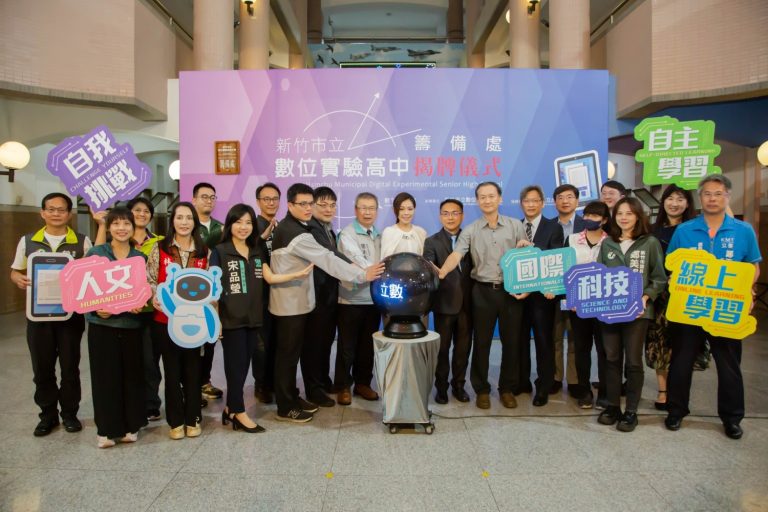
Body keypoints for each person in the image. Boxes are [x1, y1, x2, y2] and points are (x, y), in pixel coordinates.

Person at [269, 184, 384, 422]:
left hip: (300, 301)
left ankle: (292, 397)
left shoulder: (298, 227)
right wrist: (362, 274)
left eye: (310, 203)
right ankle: (286, 406)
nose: (308, 208)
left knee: (294, 354)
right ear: (289, 205)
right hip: (289, 304)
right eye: (303, 204)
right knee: (288, 356)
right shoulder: (298, 233)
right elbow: (327, 258)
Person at [665, 175, 761, 440]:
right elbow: (671, 265)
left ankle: (732, 418)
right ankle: (676, 411)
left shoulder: (743, 231)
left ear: (727, 196)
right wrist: (673, 278)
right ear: (700, 197)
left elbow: (753, 266)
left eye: (718, 194)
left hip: (725, 310)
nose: (712, 198)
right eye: (707, 194)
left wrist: (747, 291)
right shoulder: (684, 231)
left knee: (729, 364)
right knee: (681, 361)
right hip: (690, 308)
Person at [211, 203, 313, 433]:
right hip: (231, 320)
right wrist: (215, 320)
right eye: (238, 222)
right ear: (230, 224)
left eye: (248, 223)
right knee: (235, 368)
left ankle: (230, 409)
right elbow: (212, 289)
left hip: (254, 318)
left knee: (243, 366)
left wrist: (298, 274)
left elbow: (270, 277)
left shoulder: (256, 249)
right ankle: (238, 412)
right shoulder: (220, 251)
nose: (243, 227)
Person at [9, 193, 95, 437]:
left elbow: (91, 271)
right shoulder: (28, 241)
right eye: (51, 209)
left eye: (61, 209)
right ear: (42, 212)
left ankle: (69, 414)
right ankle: (47, 415)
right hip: (38, 317)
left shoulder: (81, 242)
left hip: (70, 317)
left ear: (69, 214)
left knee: (70, 368)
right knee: (42, 368)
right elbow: (15, 271)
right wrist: (18, 279)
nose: (56, 213)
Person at [438, 182, 528, 410]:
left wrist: (527, 286)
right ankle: (482, 389)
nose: (487, 200)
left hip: (511, 291)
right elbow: (456, 254)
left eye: (491, 196)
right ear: (477, 201)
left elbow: (526, 257)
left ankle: (506, 388)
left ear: (500, 198)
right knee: (482, 343)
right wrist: (442, 271)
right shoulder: (471, 230)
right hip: (482, 292)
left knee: (511, 342)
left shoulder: (516, 225)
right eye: (482, 197)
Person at [596, 197, 666, 432]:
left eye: (629, 213)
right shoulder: (608, 243)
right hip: (609, 312)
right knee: (611, 358)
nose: (623, 218)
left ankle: (631, 412)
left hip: (638, 313)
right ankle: (613, 406)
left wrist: (645, 297)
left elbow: (659, 278)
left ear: (638, 216)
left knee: (634, 362)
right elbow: (598, 276)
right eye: (619, 213)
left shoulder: (650, 242)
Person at [85, 207, 147, 448]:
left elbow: (143, 291)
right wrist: (95, 307)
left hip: (132, 326)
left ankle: (131, 426)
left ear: (133, 227)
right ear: (109, 227)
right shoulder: (96, 254)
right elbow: (84, 291)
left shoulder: (139, 258)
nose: (122, 228)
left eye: (126, 223)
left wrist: (140, 304)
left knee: (132, 376)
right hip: (102, 326)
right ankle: (106, 430)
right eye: (116, 223)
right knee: (104, 377)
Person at [147, 202, 209, 439]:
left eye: (189, 218)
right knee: (171, 372)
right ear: (172, 221)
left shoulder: (203, 251)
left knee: (193, 371)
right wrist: (155, 297)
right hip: (165, 320)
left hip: (194, 323)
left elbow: (210, 287)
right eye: (179, 217)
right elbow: (150, 278)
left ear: (195, 222)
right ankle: (175, 421)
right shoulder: (160, 248)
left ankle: (193, 418)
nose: (184, 222)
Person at [646, 185, 695, 410]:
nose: (674, 203)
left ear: (688, 203)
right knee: (660, 342)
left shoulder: (694, 230)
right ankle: (663, 390)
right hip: (660, 295)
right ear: (663, 201)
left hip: (686, 294)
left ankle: (679, 391)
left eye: (680, 199)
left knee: (683, 344)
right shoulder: (653, 231)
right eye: (670, 198)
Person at [335, 192, 384, 406]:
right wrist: (378, 270)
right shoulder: (347, 234)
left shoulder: (379, 235)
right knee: (347, 346)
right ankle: (343, 386)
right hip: (351, 300)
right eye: (363, 208)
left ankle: (363, 383)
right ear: (355, 210)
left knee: (367, 346)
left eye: (371, 208)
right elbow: (358, 262)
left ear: (377, 211)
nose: (367, 212)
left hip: (374, 299)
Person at [301, 186, 349, 407]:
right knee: (314, 345)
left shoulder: (328, 229)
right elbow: (331, 256)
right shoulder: (311, 228)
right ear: (312, 206)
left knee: (325, 342)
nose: (329, 209)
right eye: (323, 205)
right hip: (315, 297)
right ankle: (314, 390)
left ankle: (323, 381)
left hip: (328, 296)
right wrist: (358, 269)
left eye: (332, 205)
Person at [517, 185, 563, 406]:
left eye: (535, 200)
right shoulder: (515, 226)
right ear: (521, 204)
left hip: (543, 296)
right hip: (518, 296)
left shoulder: (553, 227)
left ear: (543, 203)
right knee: (519, 340)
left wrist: (533, 250)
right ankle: (522, 381)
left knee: (544, 342)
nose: (531, 205)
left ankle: (544, 386)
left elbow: (555, 260)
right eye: (527, 201)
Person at [423, 199, 473, 404]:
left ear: (462, 215)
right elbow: (429, 271)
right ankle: (441, 388)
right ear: (440, 216)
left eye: (455, 213)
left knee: (463, 349)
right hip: (444, 304)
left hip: (469, 304)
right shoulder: (431, 241)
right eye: (446, 213)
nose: (450, 217)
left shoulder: (471, 238)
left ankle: (459, 385)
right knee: (442, 350)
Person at [565, 201, 611, 409]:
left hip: (605, 305)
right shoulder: (572, 239)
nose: (590, 219)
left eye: (595, 216)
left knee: (604, 349)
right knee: (581, 348)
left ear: (605, 220)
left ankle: (604, 391)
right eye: (587, 215)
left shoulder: (612, 241)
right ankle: (584, 390)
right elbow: (565, 270)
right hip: (579, 305)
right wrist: (571, 298)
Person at [126, 197, 165, 422]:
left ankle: (151, 403)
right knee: (130, 360)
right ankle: (132, 402)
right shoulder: (120, 239)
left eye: (146, 211)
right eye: (137, 210)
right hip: (125, 311)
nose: (141, 214)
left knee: (150, 360)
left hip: (152, 311)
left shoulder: (160, 242)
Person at [551, 184, 586, 395]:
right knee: (554, 336)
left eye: (570, 197)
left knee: (576, 338)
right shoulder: (548, 225)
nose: (565, 201)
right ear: (554, 201)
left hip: (580, 291)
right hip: (554, 291)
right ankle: (555, 377)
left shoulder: (586, 225)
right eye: (560, 197)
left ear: (577, 201)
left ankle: (574, 380)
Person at [191, 182, 224, 404]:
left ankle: (205, 381)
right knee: (190, 339)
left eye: (212, 197)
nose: (209, 201)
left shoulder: (221, 228)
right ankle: (190, 386)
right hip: (189, 292)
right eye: (204, 197)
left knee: (210, 339)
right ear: (194, 199)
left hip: (213, 293)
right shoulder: (187, 225)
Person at [252, 182, 281, 405]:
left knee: (277, 340)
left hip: (280, 291)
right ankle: (261, 385)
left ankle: (274, 382)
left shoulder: (281, 226)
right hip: (259, 293)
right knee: (261, 342)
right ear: (258, 202)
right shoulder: (252, 226)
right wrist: (262, 236)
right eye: (266, 199)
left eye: (274, 199)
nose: (271, 202)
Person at [380, 192, 427, 258]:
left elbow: (425, 260)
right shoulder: (389, 232)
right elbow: (384, 260)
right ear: (394, 210)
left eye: (410, 209)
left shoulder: (421, 232)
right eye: (401, 209)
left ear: (414, 209)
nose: (406, 213)